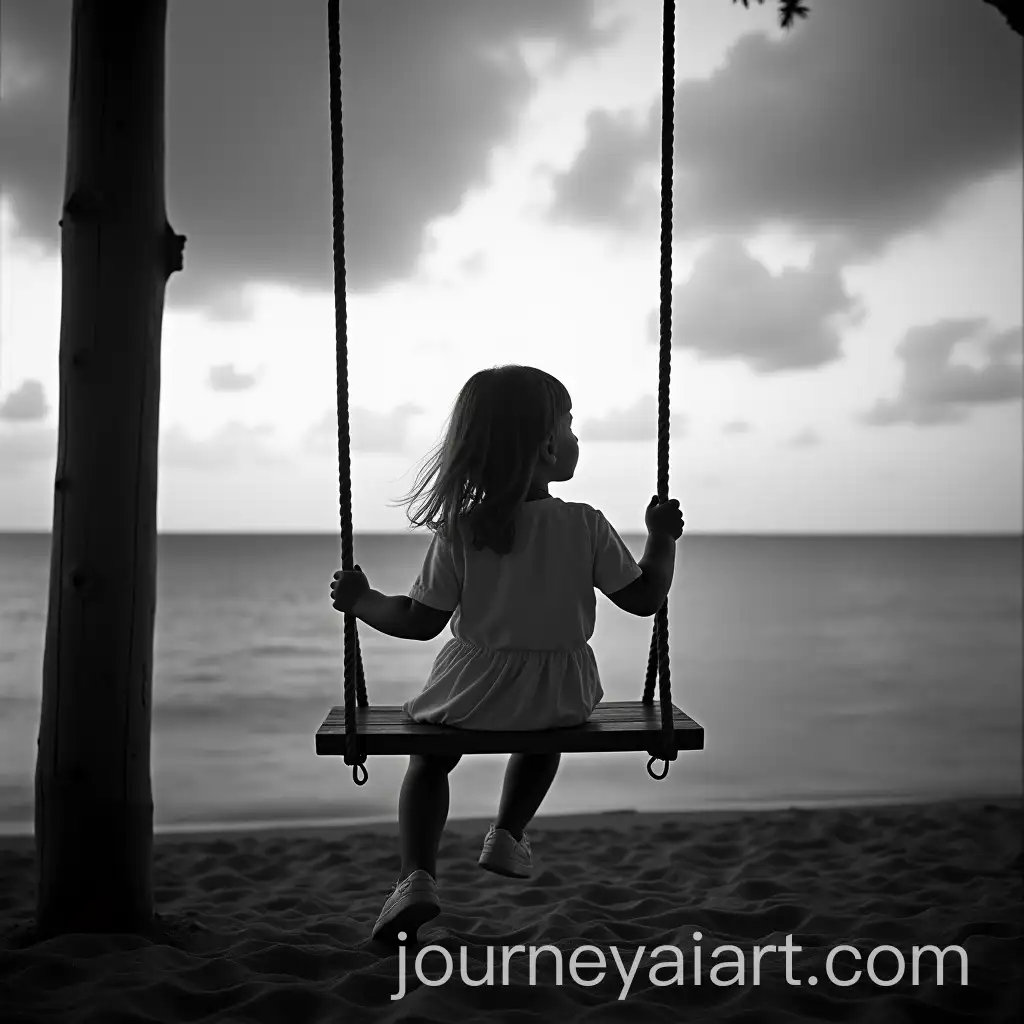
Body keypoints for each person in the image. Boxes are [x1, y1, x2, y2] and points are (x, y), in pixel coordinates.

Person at [330, 365, 684, 943]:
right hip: (561, 693)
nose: (576, 438)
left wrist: (362, 601)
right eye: (570, 426)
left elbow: (420, 622)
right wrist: (662, 539)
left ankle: (415, 876)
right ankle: (508, 832)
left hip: (471, 693)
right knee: (545, 738)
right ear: (546, 447)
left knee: (429, 763)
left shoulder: (464, 530)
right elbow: (645, 598)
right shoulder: (585, 524)